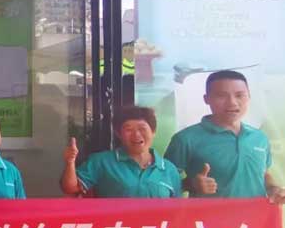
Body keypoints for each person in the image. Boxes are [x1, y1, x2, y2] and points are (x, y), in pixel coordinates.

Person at [165, 70, 285, 203]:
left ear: (249, 97)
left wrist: (272, 188)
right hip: (209, 216)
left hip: (257, 215)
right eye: (221, 96)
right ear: (206, 99)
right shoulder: (185, 139)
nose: (232, 102)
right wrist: (191, 184)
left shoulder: (259, 137)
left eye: (239, 95)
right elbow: (163, 184)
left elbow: (263, 173)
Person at [60, 106, 181, 198]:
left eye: (142, 129)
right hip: (115, 224)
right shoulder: (101, 162)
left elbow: (176, 209)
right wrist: (70, 163)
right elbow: (71, 188)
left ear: (153, 131)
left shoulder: (169, 169)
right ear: (118, 133)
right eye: (129, 129)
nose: (136, 135)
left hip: (157, 226)